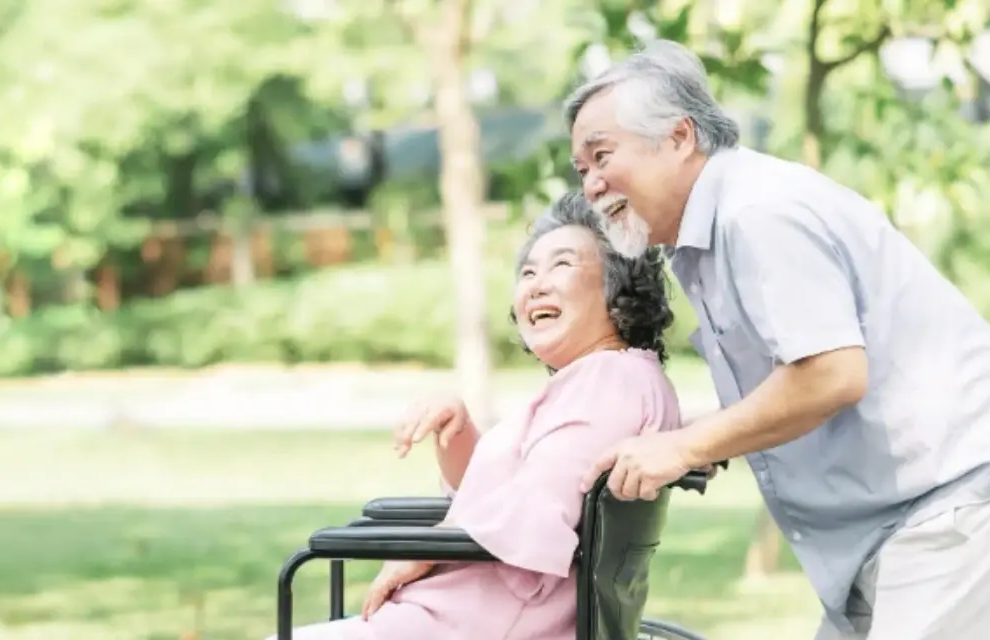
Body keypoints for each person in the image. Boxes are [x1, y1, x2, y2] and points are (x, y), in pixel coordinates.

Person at [567, 39, 990, 639]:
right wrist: (693, 434)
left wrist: (687, 447)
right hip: (910, 517)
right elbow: (794, 380)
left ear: (680, 138)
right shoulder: (710, 237)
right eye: (581, 169)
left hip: (964, 496)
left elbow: (831, 373)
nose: (591, 185)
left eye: (602, 155)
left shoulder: (756, 213)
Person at [267, 192, 682, 640]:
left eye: (561, 265)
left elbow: (536, 512)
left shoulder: (609, 382)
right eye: (527, 272)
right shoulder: (607, 381)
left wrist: (419, 553)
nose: (535, 285)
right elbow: (515, 497)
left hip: (480, 624)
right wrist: (458, 431)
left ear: (617, 286)